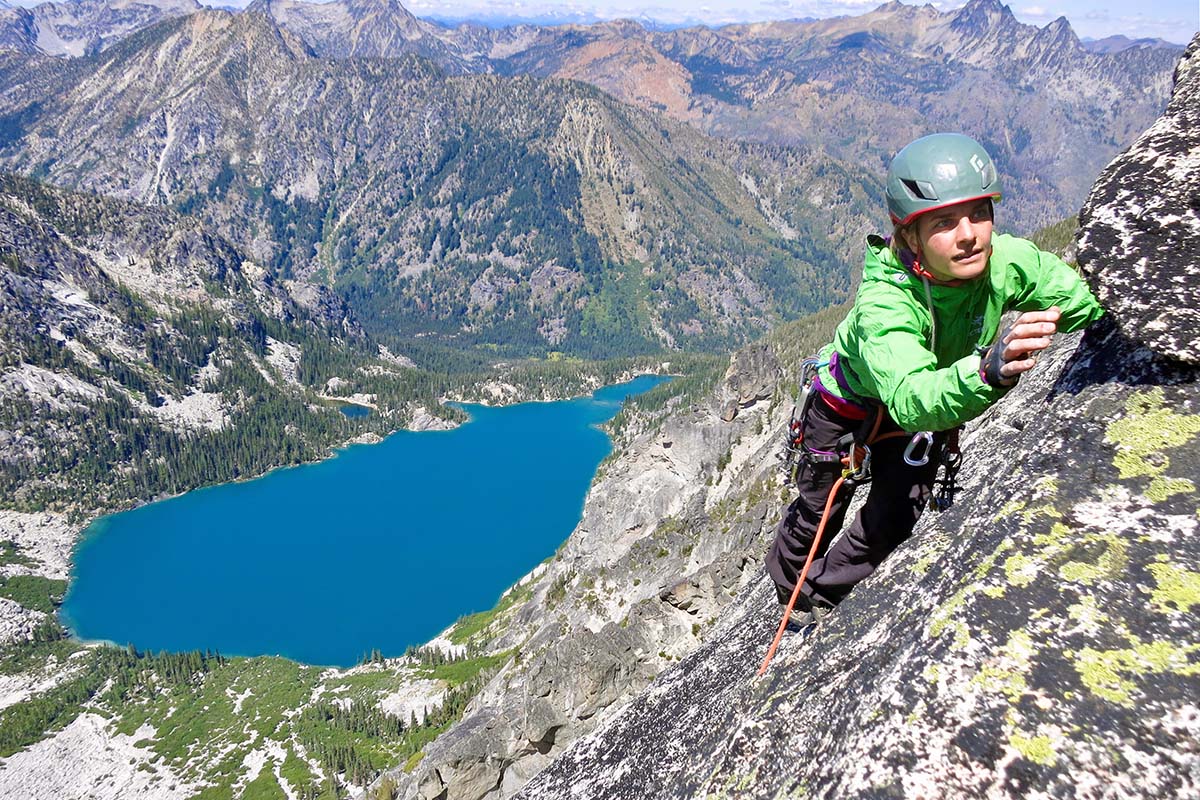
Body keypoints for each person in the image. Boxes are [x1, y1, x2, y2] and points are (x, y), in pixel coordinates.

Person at [766, 132, 1104, 626]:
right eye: (944, 223)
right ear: (910, 237)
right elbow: (909, 395)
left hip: (927, 401)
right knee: (819, 506)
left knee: (896, 514)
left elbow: (1082, 301)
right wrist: (987, 369)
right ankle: (791, 591)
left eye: (980, 214)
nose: (969, 234)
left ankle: (826, 591)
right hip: (849, 403)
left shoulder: (1006, 264)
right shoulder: (885, 303)